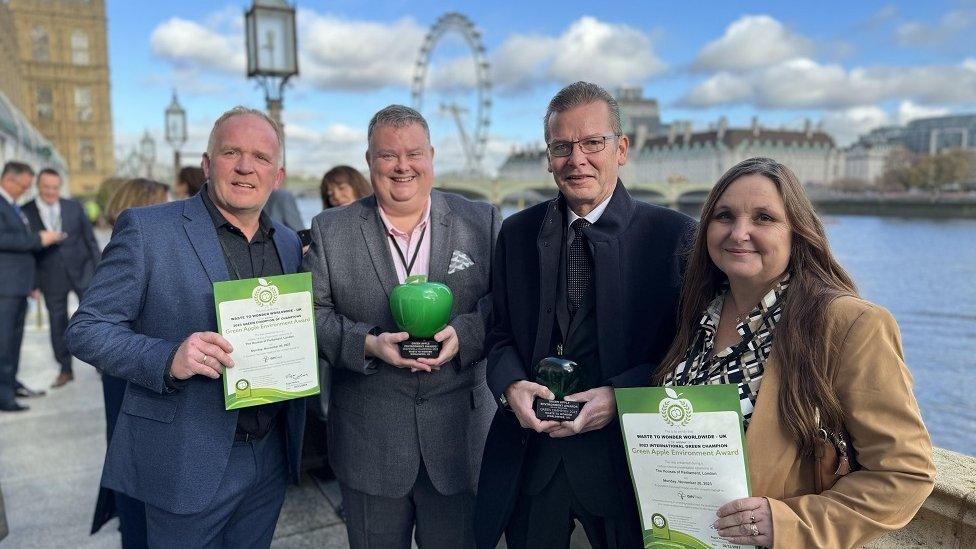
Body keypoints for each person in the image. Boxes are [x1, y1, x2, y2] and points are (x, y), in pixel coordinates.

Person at [654, 157, 935, 548]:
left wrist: (786, 523)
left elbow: (906, 473)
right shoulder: (695, 314)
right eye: (724, 216)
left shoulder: (848, 324)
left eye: (764, 218)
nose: (739, 232)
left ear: (797, 232)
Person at [67, 107, 306, 548]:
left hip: (270, 453)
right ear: (207, 164)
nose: (245, 166)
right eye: (231, 152)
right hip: (186, 457)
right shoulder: (148, 229)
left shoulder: (289, 243)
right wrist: (168, 358)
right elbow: (86, 328)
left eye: (260, 157)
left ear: (278, 175)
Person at [474, 82, 696, 549]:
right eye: (561, 147)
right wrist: (511, 384)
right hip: (534, 460)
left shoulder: (675, 236)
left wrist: (620, 397)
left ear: (621, 149)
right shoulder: (516, 233)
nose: (577, 160)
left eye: (592, 143)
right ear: (548, 156)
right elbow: (498, 332)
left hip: (627, 465)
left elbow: (689, 350)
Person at [304, 104, 499, 549]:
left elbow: (504, 306)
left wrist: (464, 335)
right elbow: (311, 314)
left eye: (414, 153)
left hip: (459, 441)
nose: (402, 166)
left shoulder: (481, 221)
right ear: (369, 161)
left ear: (431, 155)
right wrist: (368, 344)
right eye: (387, 155)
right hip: (368, 442)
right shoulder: (330, 229)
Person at [89, 177, 169, 548]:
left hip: (124, 373)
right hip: (134, 374)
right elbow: (94, 328)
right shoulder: (138, 243)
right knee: (136, 464)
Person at [22, 168, 102, 388]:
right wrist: (33, 283)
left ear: (60, 187)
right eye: (46, 187)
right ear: (38, 186)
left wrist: (100, 271)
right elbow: (26, 252)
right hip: (50, 275)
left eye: (55, 187)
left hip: (82, 271)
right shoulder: (25, 211)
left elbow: (90, 240)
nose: (50, 192)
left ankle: (101, 363)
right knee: (58, 323)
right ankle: (65, 369)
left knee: (95, 319)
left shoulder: (74, 206)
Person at [0, 161, 64, 412]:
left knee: (14, 341)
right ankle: (3, 396)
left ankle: (10, 383)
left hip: (17, 285)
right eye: (24, 185)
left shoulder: (12, 206)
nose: (25, 190)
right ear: (9, 180)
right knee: (3, 343)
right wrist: (38, 239)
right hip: (5, 286)